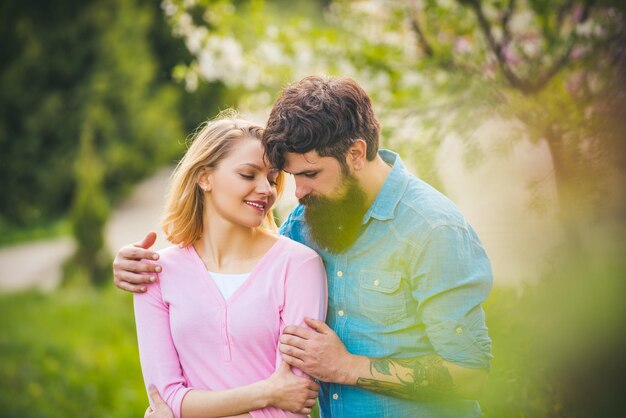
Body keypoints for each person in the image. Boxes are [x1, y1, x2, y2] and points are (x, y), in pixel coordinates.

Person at [114, 76, 493, 418]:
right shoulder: (305, 223)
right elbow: (242, 270)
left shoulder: (432, 230)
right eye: (293, 176)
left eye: (310, 174)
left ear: (356, 155)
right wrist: (135, 266)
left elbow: (471, 373)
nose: (298, 193)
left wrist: (346, 367)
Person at [130, 111, 328, 418]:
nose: (266, 190)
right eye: (248, 175)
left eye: (272, 179)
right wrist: (266, 392)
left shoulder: (299, 266)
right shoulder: (155, 273)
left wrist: (188, 411)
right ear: (204, 177)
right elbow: (164, 397)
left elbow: (292, 403)